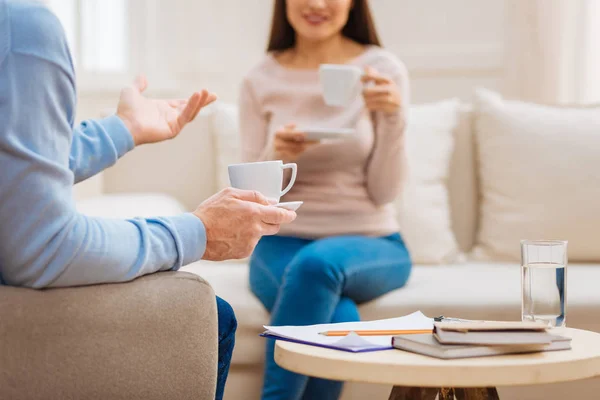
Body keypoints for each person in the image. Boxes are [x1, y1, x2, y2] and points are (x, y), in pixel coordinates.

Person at [0, 1, 296, 399]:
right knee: (215, 315)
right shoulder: (21, 26)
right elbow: (43, 247)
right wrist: (199, 232)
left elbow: (14, 169)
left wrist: (123, 130)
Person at [239, 0, 412, 398]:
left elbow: (385, 192)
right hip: (281, 243)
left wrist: (393, 116)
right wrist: (276, 154)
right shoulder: (260, 78)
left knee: (317, 265)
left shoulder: (383, 70)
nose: (317, 4)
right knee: (339, 318)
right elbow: (249, 195)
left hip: (373, 243)